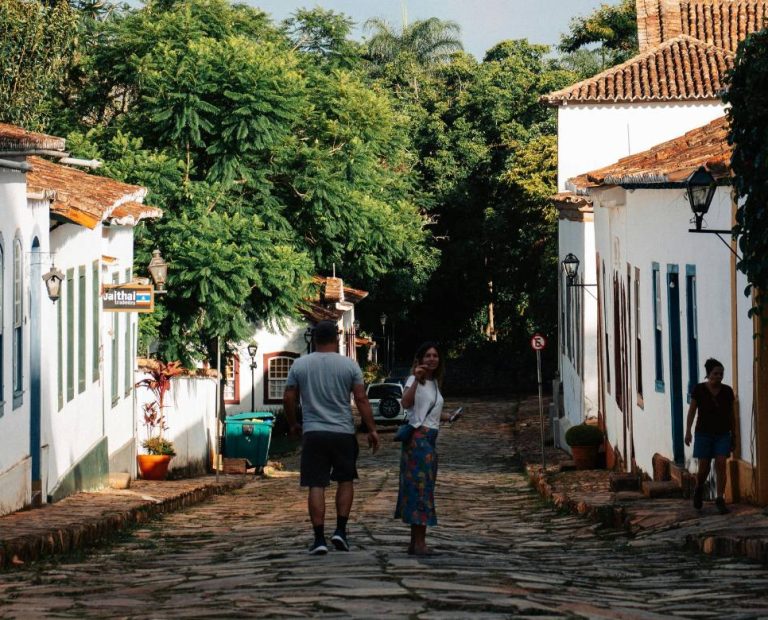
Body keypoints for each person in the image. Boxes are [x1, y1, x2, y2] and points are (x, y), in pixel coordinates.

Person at [283, 320, 380, 555]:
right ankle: (341, 531)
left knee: (316, 484)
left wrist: (294, 423)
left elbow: (288, 398)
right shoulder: (350, 366)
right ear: (336, 339)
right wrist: (372, 429)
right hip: (343, 432)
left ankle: (318, 539)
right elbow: (361, 399)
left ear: (314, 339)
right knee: (345, 480)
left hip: (314, 432)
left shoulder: (300, 365)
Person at [394, 341, 455, 555]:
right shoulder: (415, 380)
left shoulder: (435, 384)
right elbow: (406, 404)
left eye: (435, 356)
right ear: (419, 360)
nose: (431, 359)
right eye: (427, 356)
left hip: (430, 439)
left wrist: (448, 417)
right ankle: (419, 543)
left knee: (422, 488)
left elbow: (428, 412)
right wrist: (415, 380)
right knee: (421, 491)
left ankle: (415, 543)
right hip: (418, 442)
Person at [684, 357, 735, 514]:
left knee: (721, 463)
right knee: (704, 467)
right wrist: (688, 431)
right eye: (715, 373)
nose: (719, 376)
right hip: (703, 434)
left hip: (722, 434)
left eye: (721, 374)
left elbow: (731, 415)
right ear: (708, 374)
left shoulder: (727, 391)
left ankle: (720, 498)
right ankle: (699, 488)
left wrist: (735, 435)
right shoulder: (699, 390)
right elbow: (692, 411)